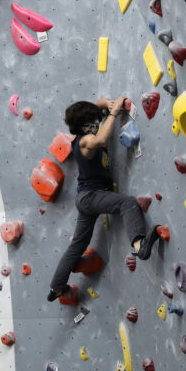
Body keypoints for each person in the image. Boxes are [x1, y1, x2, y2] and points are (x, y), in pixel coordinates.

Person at [48, 96, 164, 302]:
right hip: (91, 196)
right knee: (127, 203)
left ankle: (56, 286)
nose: (98, 121)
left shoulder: (87, 133)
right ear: (85, 124)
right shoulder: (85, 141)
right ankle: (140, 245)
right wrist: (111, 113)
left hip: (87, 198)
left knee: (78, 245)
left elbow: (98, 108)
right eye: (94, 119)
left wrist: (105, 104)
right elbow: (101, 139)